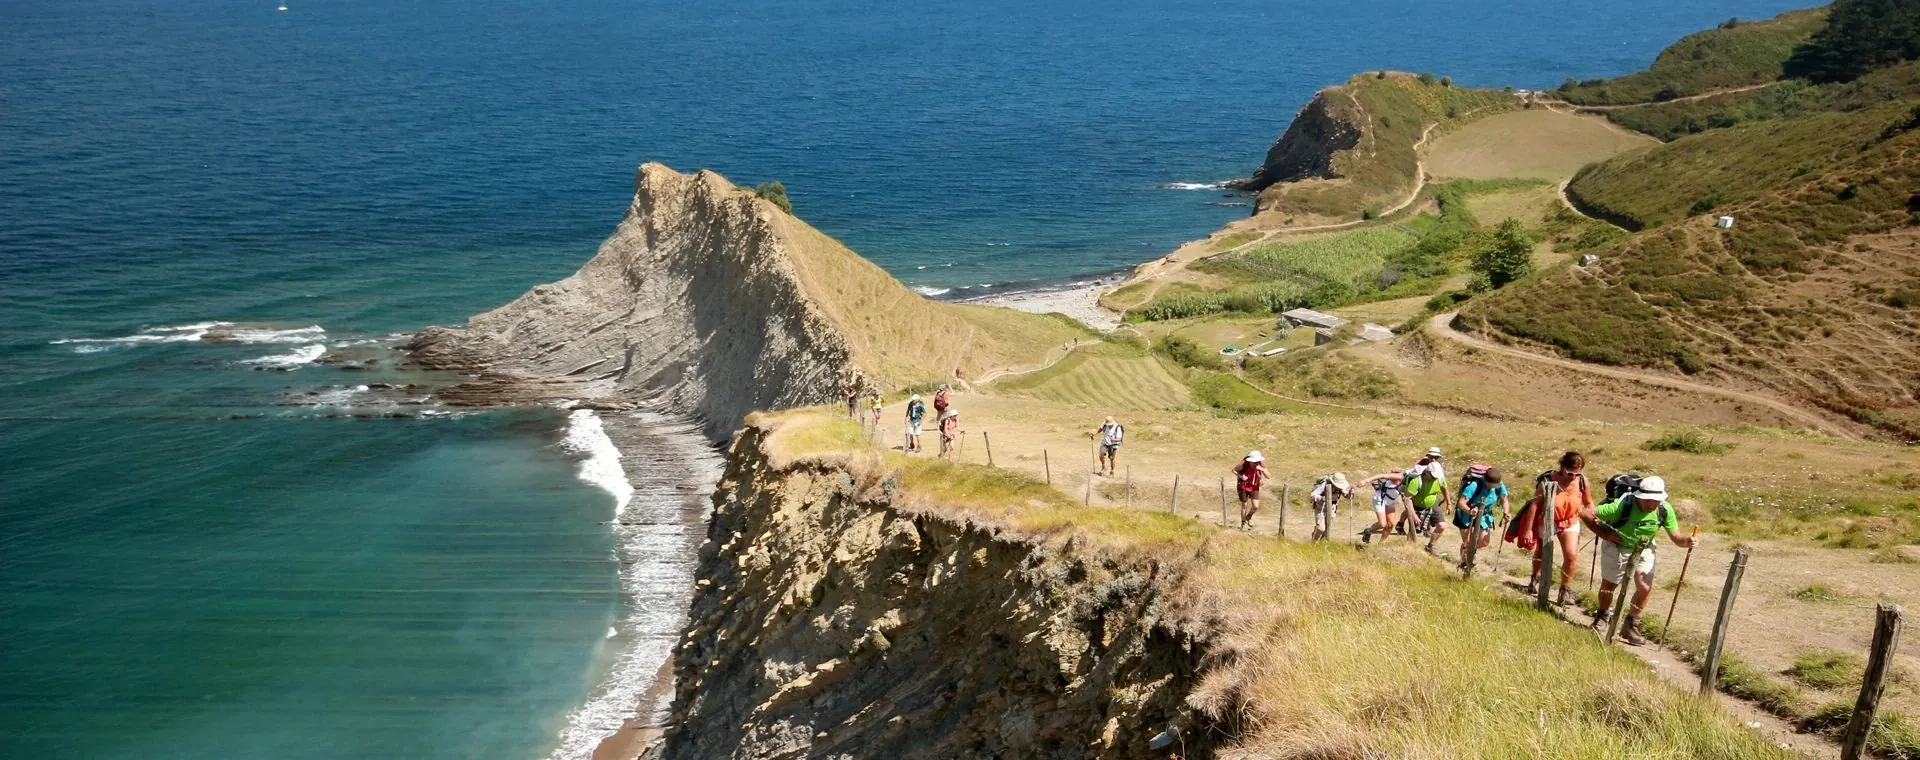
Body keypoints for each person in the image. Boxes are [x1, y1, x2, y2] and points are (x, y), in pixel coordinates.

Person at [1583, 475, 1696, 645]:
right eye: (1648, 500)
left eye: (1656, 501)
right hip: (1617, 547)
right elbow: (1585, 513)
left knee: (1645, 587)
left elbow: (1676, 537)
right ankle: (1603, 615)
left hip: (1645, 549)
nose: (1652, 505)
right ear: (1639, 496)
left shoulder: (1664, 509)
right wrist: (1603, 534)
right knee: (1610, 586)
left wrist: (1687, 541)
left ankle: (1631, 625)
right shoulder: (1622, 505)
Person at [1508, 450, 1594, 606]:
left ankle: (1565, 590)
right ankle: (1536, 578)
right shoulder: (1548, 480)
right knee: (1542, 551)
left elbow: (1589, 503)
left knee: (1571, 555)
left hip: (1570, 520)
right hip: (1548, 519)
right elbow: (1535, 504)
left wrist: (1593, 517)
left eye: (1577, 474)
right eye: (1570, 474)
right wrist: (1528, 529)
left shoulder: (1582, 482)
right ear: (1562, 467)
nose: (1573, 477)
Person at [1453, 466, 1509, 564]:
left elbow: (1505, 500)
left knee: (1484, 542)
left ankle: (1470, 552)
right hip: (1466, 514)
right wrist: (1470, 511)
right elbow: (1461, 503)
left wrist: (1506, 512)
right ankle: (1465, 563)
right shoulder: (1475, 485)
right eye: (1492, 485)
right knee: (1467, 541)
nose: (1494, 488)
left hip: (1485, 515)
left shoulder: (1499, 485)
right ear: (1486, 481)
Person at [1405, 462, 1452, 555]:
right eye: (1433, 476)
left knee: (1442, 526)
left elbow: (1445, 489)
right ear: (1427, 473)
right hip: (1417, 506)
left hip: (1433, 504)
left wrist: (1449, 503)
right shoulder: (1416, 481)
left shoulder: (1440, 479)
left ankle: (1430, 546)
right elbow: (1407, 499)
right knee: (1414, 531)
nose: (1434, 478)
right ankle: (1409, 550)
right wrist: (1414, 515)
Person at [1355, 470, 1408, 544]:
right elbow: (1381, 475)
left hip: (1390, 501)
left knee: (1390, 524)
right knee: (1382, 524)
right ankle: (1368, 531)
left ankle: (1381, 544)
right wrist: (1365, 481)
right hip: (1380, 499)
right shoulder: (1400, 477)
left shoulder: (1414, 481)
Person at [1309, 472, 1352, 540]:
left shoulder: (1340, 488)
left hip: (1331, 510)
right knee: (1321, 528)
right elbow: (1312, 495)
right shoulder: (1325, 485)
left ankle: (1322, 542)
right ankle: (1313, 541)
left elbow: (1347, 496)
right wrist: (1322, 498)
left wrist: (1350, 494)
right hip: (1320, 509)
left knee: (1327, 529)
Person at [1234, 451, 1269, 528]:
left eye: (1257, 462)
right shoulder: (1243, 463)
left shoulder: (1260, 464)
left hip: (1254, 486)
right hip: (1243, 485)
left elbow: (1269, 476)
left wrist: (1262, 469)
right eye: (1254, 462)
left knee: (1256, 506)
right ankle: (1243, 523)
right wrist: (1240, 476)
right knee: (1244, 505)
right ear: (1250, 461)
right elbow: (1234, 470)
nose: (1256, 464)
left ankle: (1248, 517)